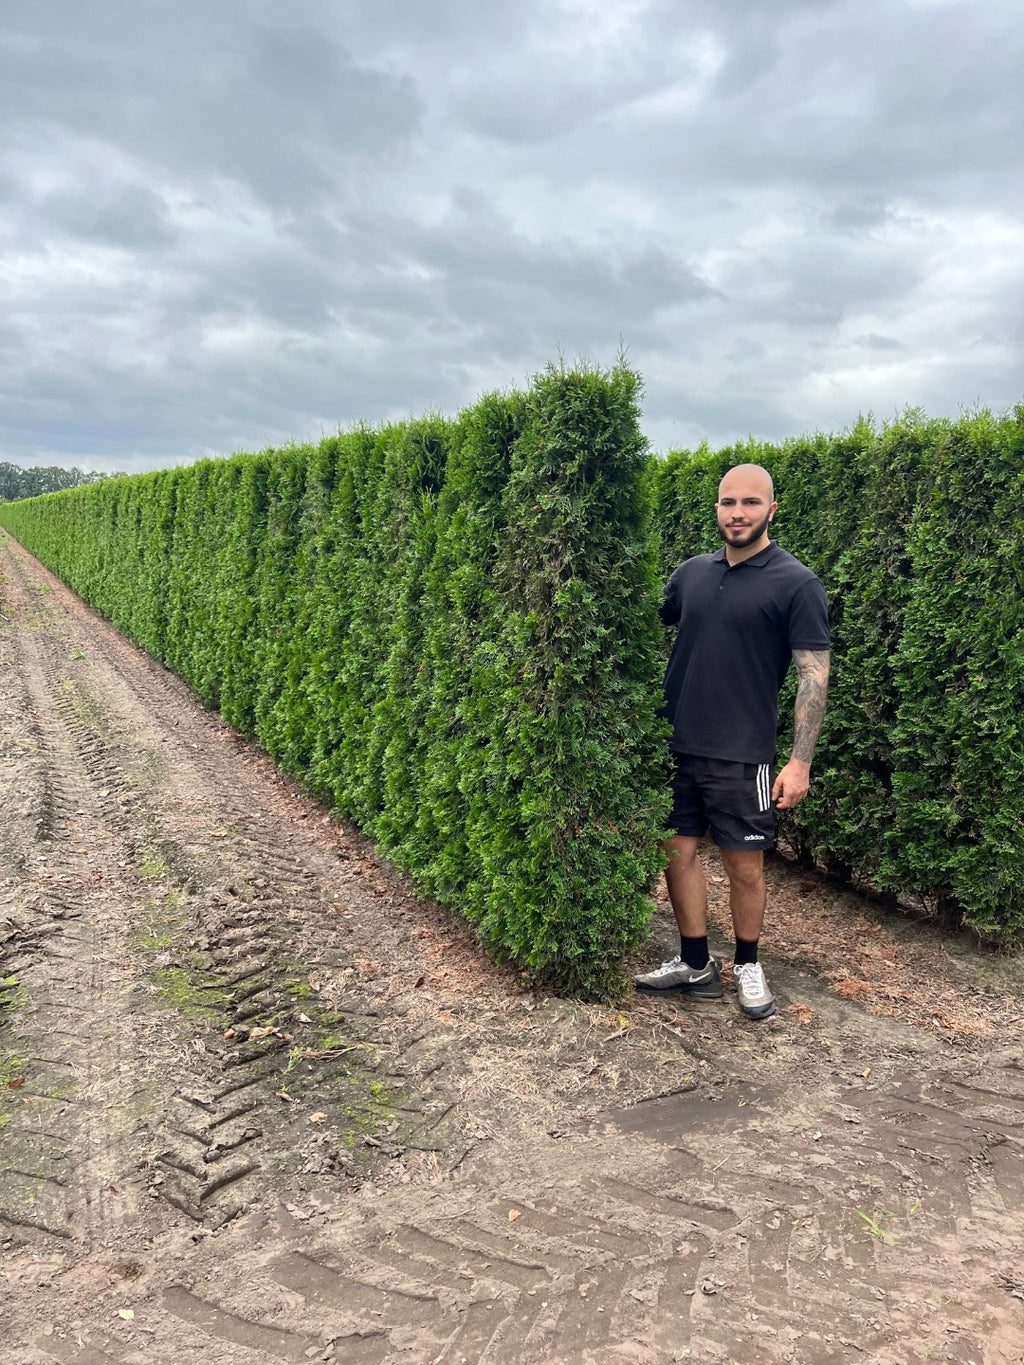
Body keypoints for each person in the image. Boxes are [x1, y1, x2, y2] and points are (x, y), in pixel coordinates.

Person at [635, 463, 830, 1020]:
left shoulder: (796, 583)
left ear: (772, 509)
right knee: (676, 853)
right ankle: (695, 963)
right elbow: (645, 622)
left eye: (749, 502)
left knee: (744, 866)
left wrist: (799, 761)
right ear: (716, 508)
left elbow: (813, 675)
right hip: (675, 744)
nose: (737, 513)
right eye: (727, 502)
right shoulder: (691, 573)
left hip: (744, 754)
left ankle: (747, 962)